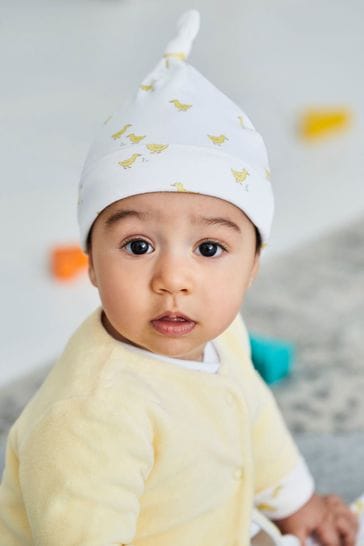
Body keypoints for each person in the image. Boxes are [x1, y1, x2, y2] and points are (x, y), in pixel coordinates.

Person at [0, 9, 359, 546]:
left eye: (209, 248)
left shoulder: (220, 332)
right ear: (92, 264)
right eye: (138, 246)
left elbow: (254, 419)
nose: (173, 279)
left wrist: (297, 504)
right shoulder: (90, 417)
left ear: (253, 266)